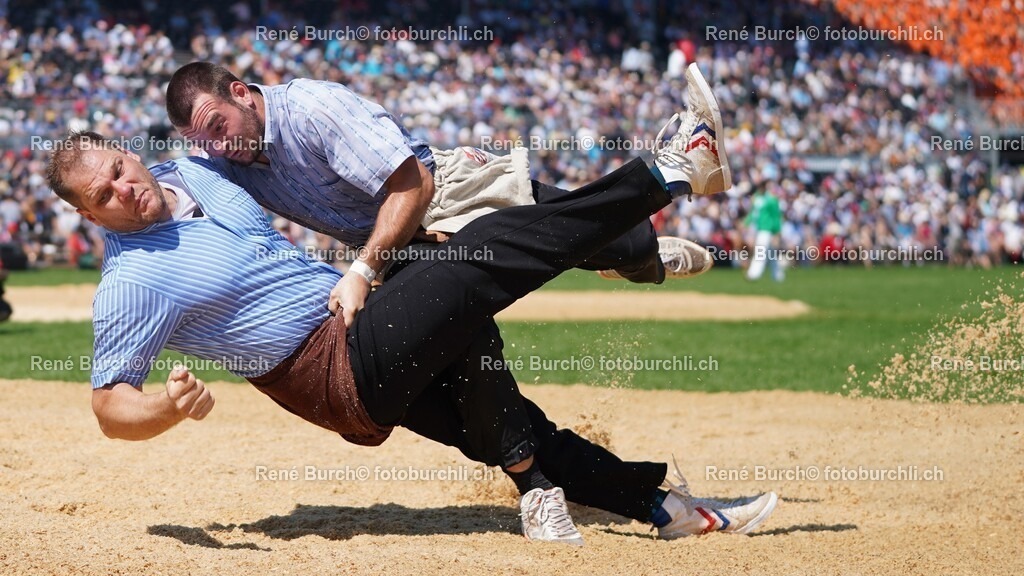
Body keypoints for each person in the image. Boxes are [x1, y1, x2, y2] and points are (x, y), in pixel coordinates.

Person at [45, 122, 776, 545]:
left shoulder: (194, 170)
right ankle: (659, 178)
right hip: (325, 375)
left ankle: (661, 508)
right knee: (468, 264)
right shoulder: (132, 282)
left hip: (356, 321)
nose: (121, 188)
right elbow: (111, 407)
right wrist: (169, 408)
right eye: (100, 194)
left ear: (129, 150)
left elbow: (286, 146)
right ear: (88, 213)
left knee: (497, 400)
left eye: (117, 168)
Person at [164, 62, 721, 327]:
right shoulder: (232, 159)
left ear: (241, 92)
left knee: (604, 241)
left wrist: (360, 271)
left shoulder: (312, 108)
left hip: (445, 196)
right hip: (397, 248)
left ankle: (674, 176)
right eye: (201, 141)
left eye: (218, 125)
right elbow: (169, 182)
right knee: (448, 348)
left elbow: (411, 184)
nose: (218, 146)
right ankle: (532, 470)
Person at [745, 186, 785, 282]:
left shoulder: (771, 200)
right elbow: (753, 214)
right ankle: (778, 275)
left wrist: (777, 230)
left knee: (760, 251)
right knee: (771, 254)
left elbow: (776, 216)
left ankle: (753, 274)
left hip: (767, 229)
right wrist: (746, 223)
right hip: (759, 228)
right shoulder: (758, 199)